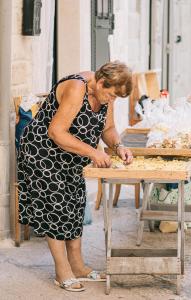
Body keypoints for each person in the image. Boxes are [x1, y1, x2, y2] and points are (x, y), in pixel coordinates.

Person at [17, 61, 133, 292]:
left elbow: (108, 129)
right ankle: (63, 272)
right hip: (43, 152)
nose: (111, 101)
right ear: (100, 82)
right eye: (110, 95)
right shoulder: (76, 88)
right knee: (55, 209)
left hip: (71, 157)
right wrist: (93, 152)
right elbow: (56, 131)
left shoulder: (106, 95)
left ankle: (78, 266)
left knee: (75, 206)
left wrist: (118, 146)